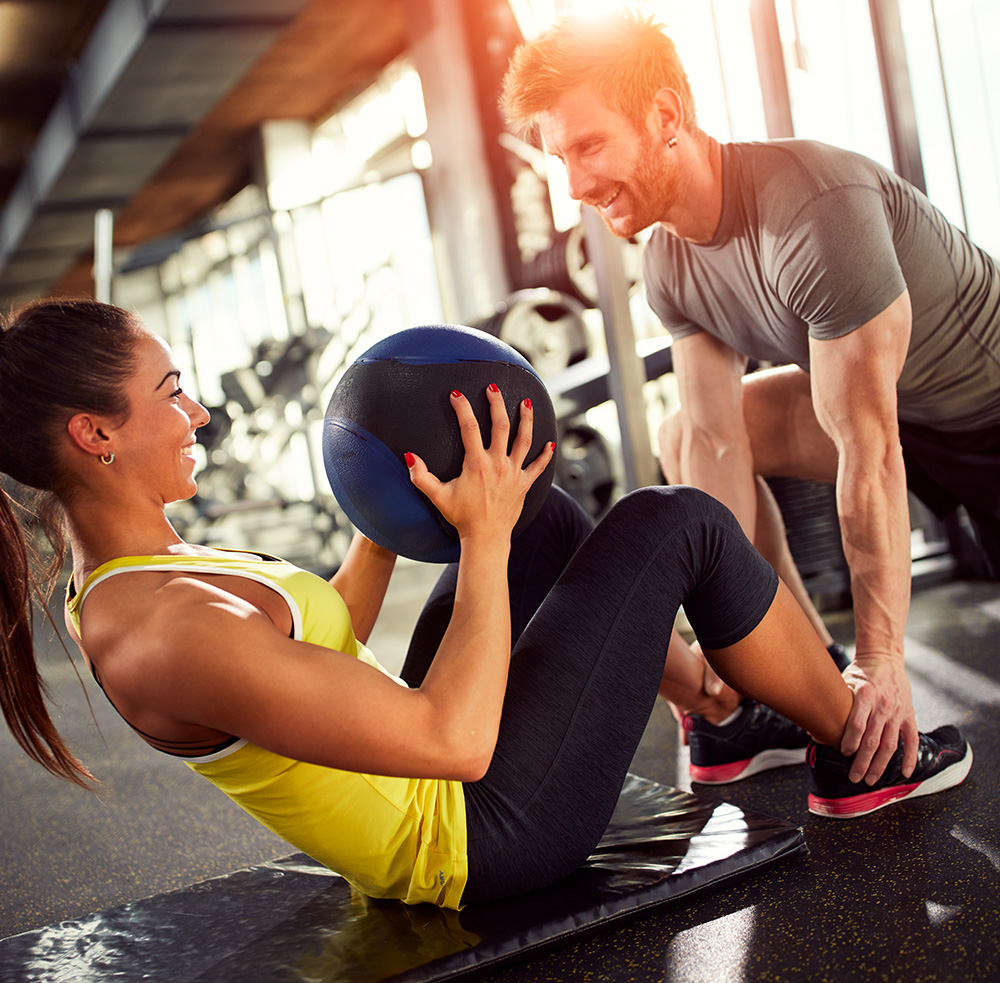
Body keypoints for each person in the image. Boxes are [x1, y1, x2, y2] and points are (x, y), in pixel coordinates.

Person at [0, 301, 971, 909]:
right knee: (675, 523)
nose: (198, 411)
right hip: (480, 833)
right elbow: (454, 740)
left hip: (440, 775)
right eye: (171, 393)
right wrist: (479, 531)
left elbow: (318, 634)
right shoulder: (161, 630)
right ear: (96, 433)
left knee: (542, 511)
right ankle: (864, 746)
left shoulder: (158, 566)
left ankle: (720, 714)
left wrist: (394, 492)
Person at [500, 8, 1000, 790]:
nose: (576, 188)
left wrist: (886, 660)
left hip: (985, 414)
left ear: (666, 114)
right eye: (560, 158)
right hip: (906, 414)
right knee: (686, 437)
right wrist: (727, 653)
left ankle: (866, 681)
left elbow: (867, 447)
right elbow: (718, 444)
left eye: (590, 145)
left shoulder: (812, 207)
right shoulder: (668, 262)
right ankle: (808, 683)